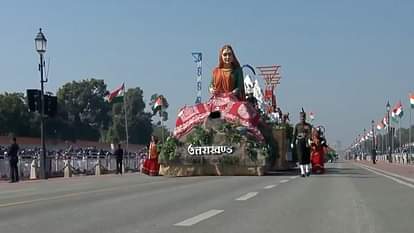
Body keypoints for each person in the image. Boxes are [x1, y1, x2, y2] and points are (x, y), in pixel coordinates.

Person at [292, 110, 312, 177]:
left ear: (305, 117)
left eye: (303, 117)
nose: (302, 118)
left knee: (306, 156)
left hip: (306, 142)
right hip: (300, 142)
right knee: (301, 156)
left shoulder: (308, 125)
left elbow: (309, 133)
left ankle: (307, 170)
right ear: (300, 117)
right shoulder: (297, 125)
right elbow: (294, 134)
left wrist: (309, 139)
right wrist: (293, 142)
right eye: (301, 117)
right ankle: (302, 172)